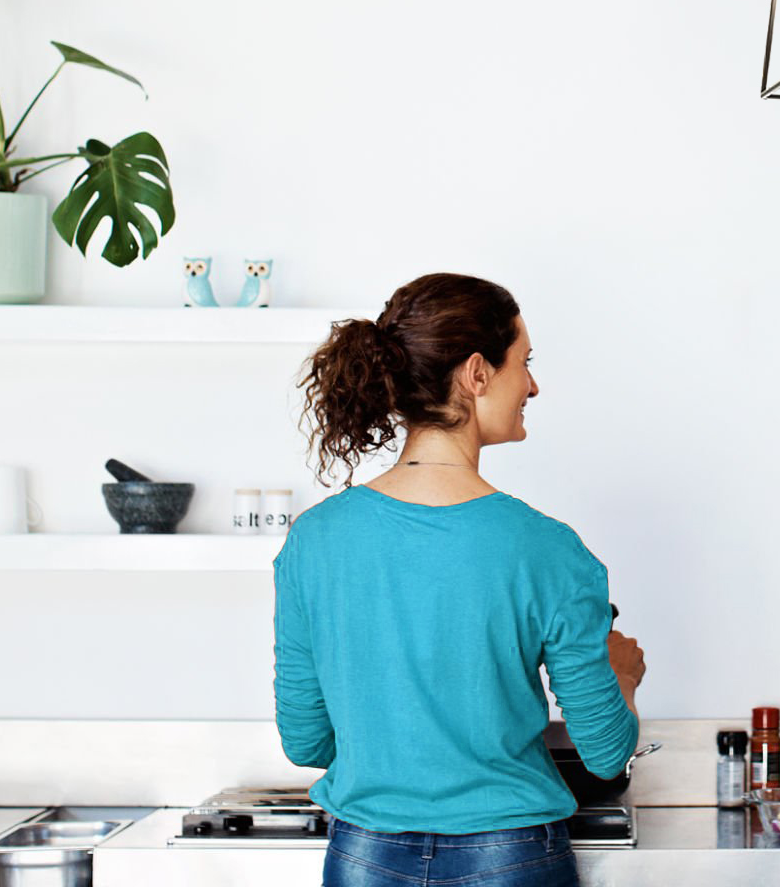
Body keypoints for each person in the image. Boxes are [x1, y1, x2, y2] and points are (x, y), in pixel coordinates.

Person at [275, 273, 646, 887]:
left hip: (365, 857)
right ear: (477, 373)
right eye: (523, 363)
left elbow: (307, 742)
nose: (532, 385)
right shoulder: (548, 549)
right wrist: (624, 677)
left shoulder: (315, 540)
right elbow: (606, 754)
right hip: (512, 857)